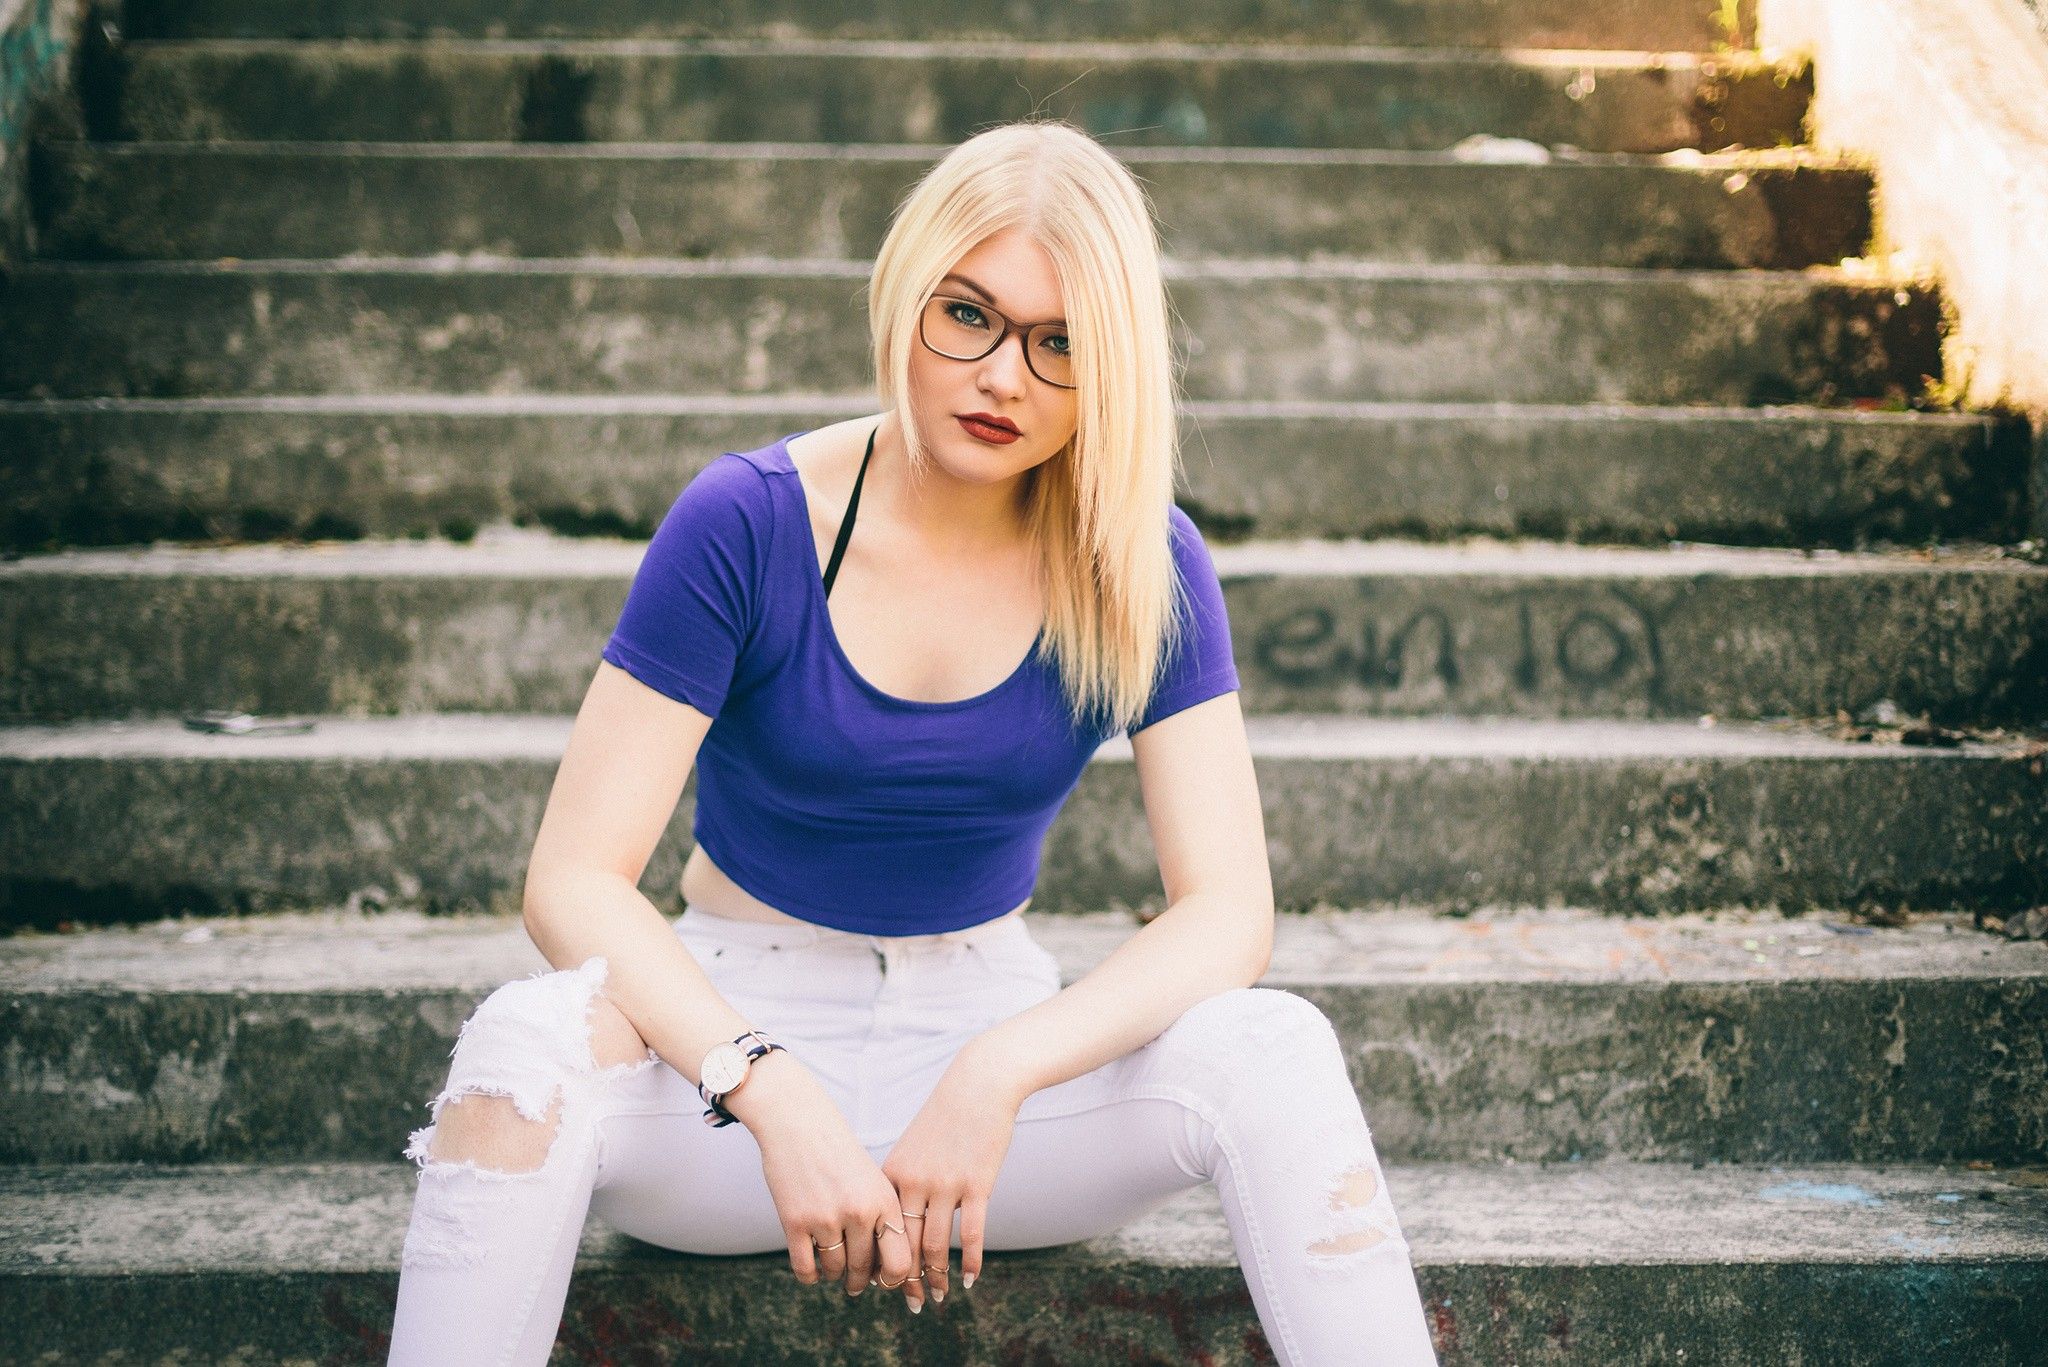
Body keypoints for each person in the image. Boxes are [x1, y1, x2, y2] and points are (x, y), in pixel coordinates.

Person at [385, 117, 1437, 1366]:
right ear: (905, 293)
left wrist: (996, 1070)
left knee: (1276, 1045)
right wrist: (763, 1081)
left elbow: (1227, 913)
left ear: (1112, 367)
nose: (1003, 377)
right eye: (968, 315)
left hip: (989, 1061)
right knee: (519, 1046)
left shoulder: (1142, 559)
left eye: (1059, 345)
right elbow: (570, 880)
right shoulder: (747, 519)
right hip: (726, 1055)